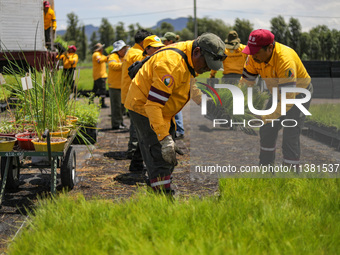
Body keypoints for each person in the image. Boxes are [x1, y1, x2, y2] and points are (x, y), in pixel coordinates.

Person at [124, 33, 226, 194]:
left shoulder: (189, 55)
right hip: (144, 107)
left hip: (163, 110)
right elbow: (153, 105)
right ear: (198, 51)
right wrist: (164, 139)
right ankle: (162, 197)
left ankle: (157, 184)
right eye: (207, 64)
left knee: (166, 153)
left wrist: (205, 104)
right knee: (159, 153)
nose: (207, 69)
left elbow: (189, 84)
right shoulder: (171, 64)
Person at [240, 29, 313, 168]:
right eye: (251, 50)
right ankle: (266, 170)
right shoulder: (253, 57)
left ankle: (290, 177)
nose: (252, 55)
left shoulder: (285, 61)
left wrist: (263, 117)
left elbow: (287, 101)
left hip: (298, 94)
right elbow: (245, 84)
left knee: (290, 134)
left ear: (270, 48)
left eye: (256, 51)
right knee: (267, 129)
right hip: (278, 91)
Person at [121, 29, 152, 172]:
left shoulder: (131, 51)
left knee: (135, 124)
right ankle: (134, 152)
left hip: (129, 92)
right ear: (143, 42)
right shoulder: (138, 54)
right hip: (134, 94)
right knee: (137, 126)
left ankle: (134, 152)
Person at [161, 32, 185, 139]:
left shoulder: (173, 50)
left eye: (165, 41)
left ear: (170, 41)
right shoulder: (176, 49)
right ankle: (177, 129)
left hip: (176, 80)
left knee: (175, 107)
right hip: (174, 80)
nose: (163, 43)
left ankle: (179, 130)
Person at [108, 40, 129, 130]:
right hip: (114, 86)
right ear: (118, 50)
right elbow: (113, 65)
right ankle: (116, 124)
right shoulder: (113, 56)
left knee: (122, 106)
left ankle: (120, 122)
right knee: (116, 106)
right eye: (123, 49)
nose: (125, 50)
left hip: (122, 85)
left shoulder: (123, 57)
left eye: (125, 48)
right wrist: (125, 64)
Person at [92, 43, 108, 108]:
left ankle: (90, 101)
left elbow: (106, 59)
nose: (102, 49)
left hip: (98, 75)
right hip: (100, 76)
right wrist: (107, 58)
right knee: (102, 90)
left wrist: (109, 57)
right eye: (101, 48)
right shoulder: (97, 54)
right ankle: (102, 104)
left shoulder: (100, 55)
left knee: (94, 90)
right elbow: (99, 61)